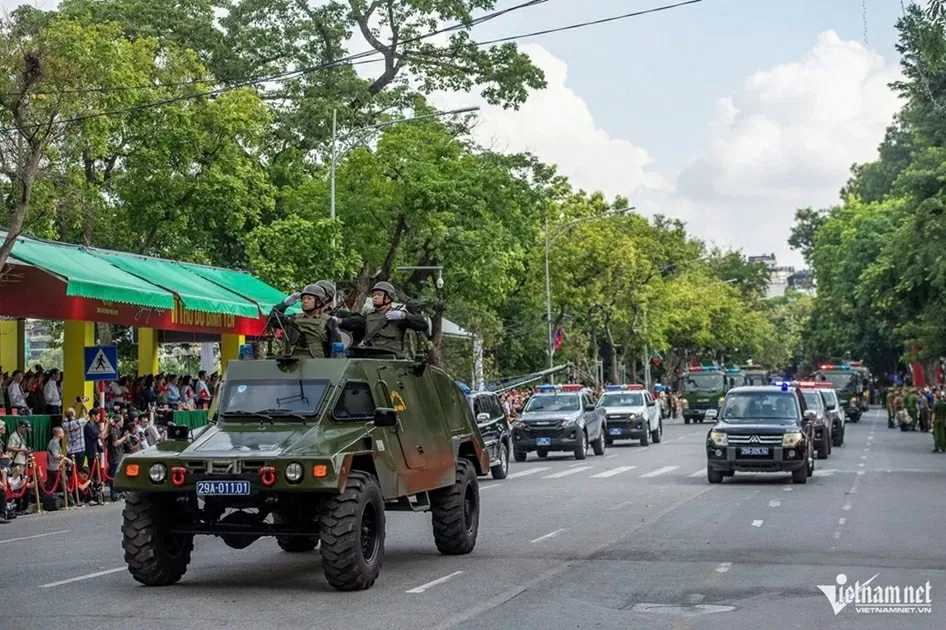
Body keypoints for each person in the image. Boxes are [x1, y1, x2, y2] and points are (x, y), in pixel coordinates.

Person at [360, 281, 428, 358]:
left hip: (393, 362)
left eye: (379, 294)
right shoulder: (368, 317)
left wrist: (403, 316)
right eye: (374, 295)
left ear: (388, 297)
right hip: (371, 359)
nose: (375, 297)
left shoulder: (398, 316)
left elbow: (423, 325)